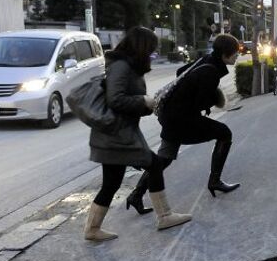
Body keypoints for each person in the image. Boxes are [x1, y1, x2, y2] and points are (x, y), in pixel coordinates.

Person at [85, 26, 191, 241]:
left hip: (115, 134)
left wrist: (147, 106)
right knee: (154, 164)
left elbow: (123, 100)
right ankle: (165, 216)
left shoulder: (124, 65)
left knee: (112, 183)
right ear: (141, 47)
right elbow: (115, 100)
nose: (152, 54)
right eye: (151, 49)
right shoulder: (121, 66)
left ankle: (92, 229)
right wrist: (143, 101)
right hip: (118, 136)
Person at [125, 34, 241, 215]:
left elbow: (181, 73)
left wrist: (193, 94)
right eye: (235, 54)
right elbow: (199, 102)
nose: (237, 56)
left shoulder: (206, 60)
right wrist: (210, 100)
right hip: (181, 119)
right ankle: (214, 181)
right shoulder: (211, 72)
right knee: (224, 133)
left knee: (165, 158)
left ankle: (136, 195)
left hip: (172, 115)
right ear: (225, 54)